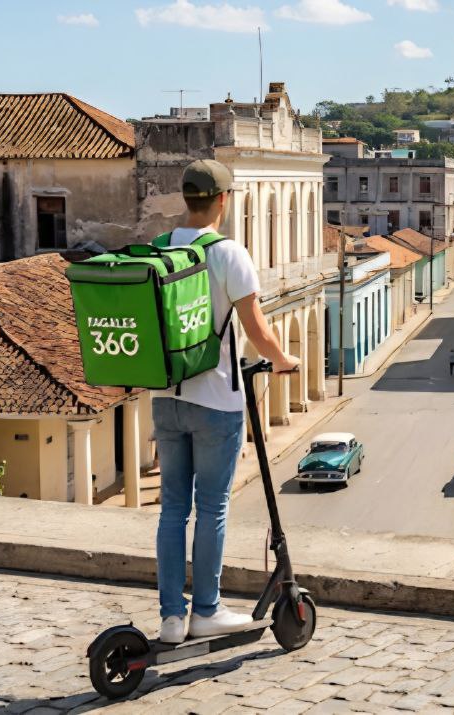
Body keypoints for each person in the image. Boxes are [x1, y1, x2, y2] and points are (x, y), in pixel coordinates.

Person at [153, 160, 299, 645]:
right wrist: (284, 360)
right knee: (212, 506)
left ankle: (172, 618)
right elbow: (255, 328)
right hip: (216, 400)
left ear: (186, 198)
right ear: (223, 199)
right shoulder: (227, 253)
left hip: (167, 398)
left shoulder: (158, 249)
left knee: (172, 507)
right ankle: (207, 610)